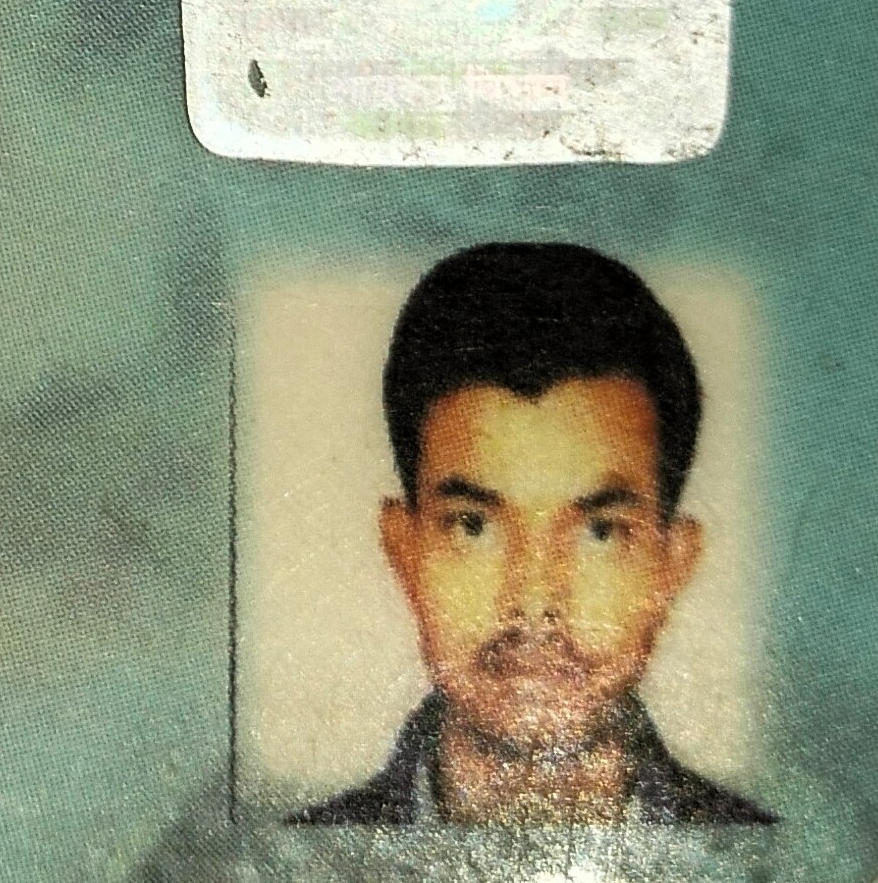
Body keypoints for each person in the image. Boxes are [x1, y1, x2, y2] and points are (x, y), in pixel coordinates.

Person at [292, 241, 770, 826]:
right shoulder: (286, 865)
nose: (535, 599)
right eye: (473, 527)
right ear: (404, 552)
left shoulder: (779, 861)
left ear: (672, 566)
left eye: (601, 532)